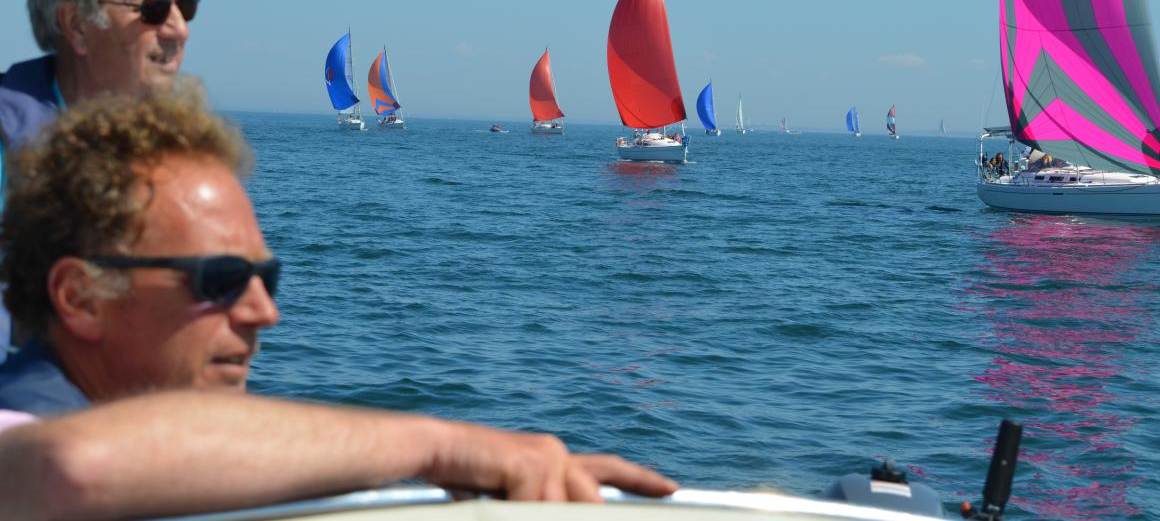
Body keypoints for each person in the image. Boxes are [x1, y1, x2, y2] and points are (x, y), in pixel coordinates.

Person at [0, 88, 675, 515]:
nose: (264, 312)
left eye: (266, 277)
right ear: (80, 298)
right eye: (219, 279)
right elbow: (67, 466)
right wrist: (441, 445)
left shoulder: (155, 479)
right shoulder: (27, 431)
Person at [0, 0, 192, 360]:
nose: (179, 28)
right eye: (154, 9)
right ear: (77, 25)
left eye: (185, 6)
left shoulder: (174, 154)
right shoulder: (8, 153)